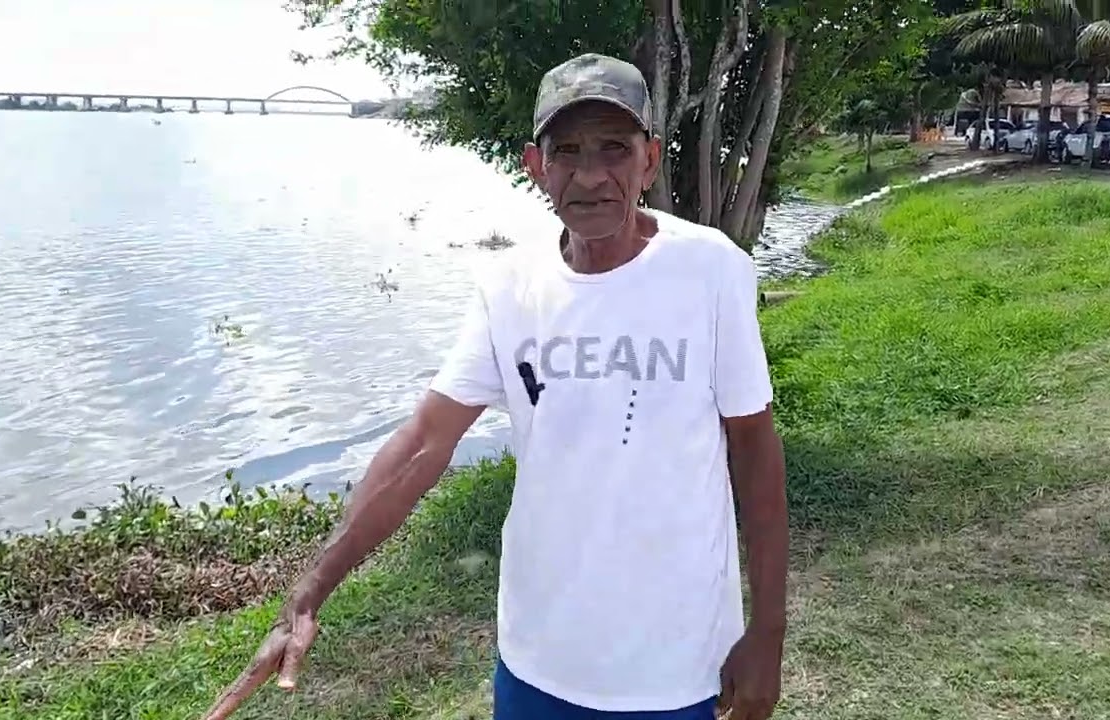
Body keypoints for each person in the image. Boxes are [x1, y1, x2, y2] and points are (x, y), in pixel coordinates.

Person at [201, 52, 788, 720]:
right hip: (537, 658)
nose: (590, 175)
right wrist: (308, 592)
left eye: (614, 150)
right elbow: (425, 444)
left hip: (677, 665)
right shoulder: (508, 285)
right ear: (534, 167)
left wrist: (766, 632)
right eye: (565, 151)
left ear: (649, 160)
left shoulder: (712, 271)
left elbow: (753, 449)